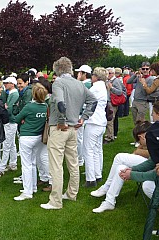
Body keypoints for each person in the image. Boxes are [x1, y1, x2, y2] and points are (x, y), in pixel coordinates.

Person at [40, 56, 97, 210]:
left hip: (60, 128)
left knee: (56, 165)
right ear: (70, 69)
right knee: (73, 162)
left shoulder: (58, 83)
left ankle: (56, 201)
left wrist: (61, 120)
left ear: (57, 71)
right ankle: (72, 193)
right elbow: (93, 100)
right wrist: (83, 118)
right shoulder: (79, 84)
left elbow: (60, 102)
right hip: (73, 128)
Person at [119, 101, 159, 238]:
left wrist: (132, 175)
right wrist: (132, 170)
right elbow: (153, 162)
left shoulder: (157, 133)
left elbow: (156, 173)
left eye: (153, 114)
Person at [91, 121, 152, 213]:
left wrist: (138, 152)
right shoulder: (151, 134)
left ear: (140, 137)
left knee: (119, 157)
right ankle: (109, 201)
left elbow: (150, 154)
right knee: (121, 168)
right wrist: (138, 151)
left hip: (155, 166)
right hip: (150, 163)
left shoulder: (156, 136)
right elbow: (139, 149)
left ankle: (107, 186)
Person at [14, 83, 48, 201]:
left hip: (27, 137)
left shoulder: (29, 107)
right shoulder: (45, 107)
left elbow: (16, 119)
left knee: (27, 165)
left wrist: (23, 119)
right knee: (32, 163)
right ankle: (32, 187)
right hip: (38, 137)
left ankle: (28, 191)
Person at [83, 67, 108, 187]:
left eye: (92, 75)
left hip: (93, 122)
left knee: (88, 150)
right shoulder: (103, 87)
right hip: (101, 122)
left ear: (96, 77)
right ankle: (98, 175)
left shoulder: (95, 88)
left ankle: (90, 178)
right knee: (98, 150)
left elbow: (85, 101)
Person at [0, 76, 19, 178]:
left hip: (11, 121)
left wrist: (5, 108)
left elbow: (9, 109)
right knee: (11, 143)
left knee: (7, 145)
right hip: (10, 121)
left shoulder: (14, 94)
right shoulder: (11, 93)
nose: (5, 84)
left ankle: (1, 168)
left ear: (12, 84)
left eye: (7, 83)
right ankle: (13, 163)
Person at [75, 64, 92, 167]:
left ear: (84, 74)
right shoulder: (90, 84)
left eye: (79, 73)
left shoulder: (83, 85)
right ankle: (81, 158)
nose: (78, 74)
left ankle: (80, 159)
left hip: (81, 113)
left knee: (79, 139)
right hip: (86, 114)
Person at [104, 67, 125, 144]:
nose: (107, 75)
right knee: (109, 120)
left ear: (113, 73)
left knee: (110, 120)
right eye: (107, 73)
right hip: (108, 102)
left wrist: (111, 88)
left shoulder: (116, 81)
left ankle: (109, 137)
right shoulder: (108, 81)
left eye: (109, 73)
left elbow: (120, 92)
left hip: (113, 103)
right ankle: (110, 135)